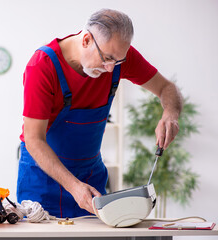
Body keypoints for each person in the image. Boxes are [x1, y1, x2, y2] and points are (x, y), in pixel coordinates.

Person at [17, 8, 182, 218]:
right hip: (42, 182)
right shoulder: (42, 66)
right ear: (86, 40)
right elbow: (33, 139)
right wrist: (74, 186)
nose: (111, 69)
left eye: (118, 61)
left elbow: (167, 88)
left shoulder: (120, 59)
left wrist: (170, 113)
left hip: (91, 180)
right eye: (107, 58)